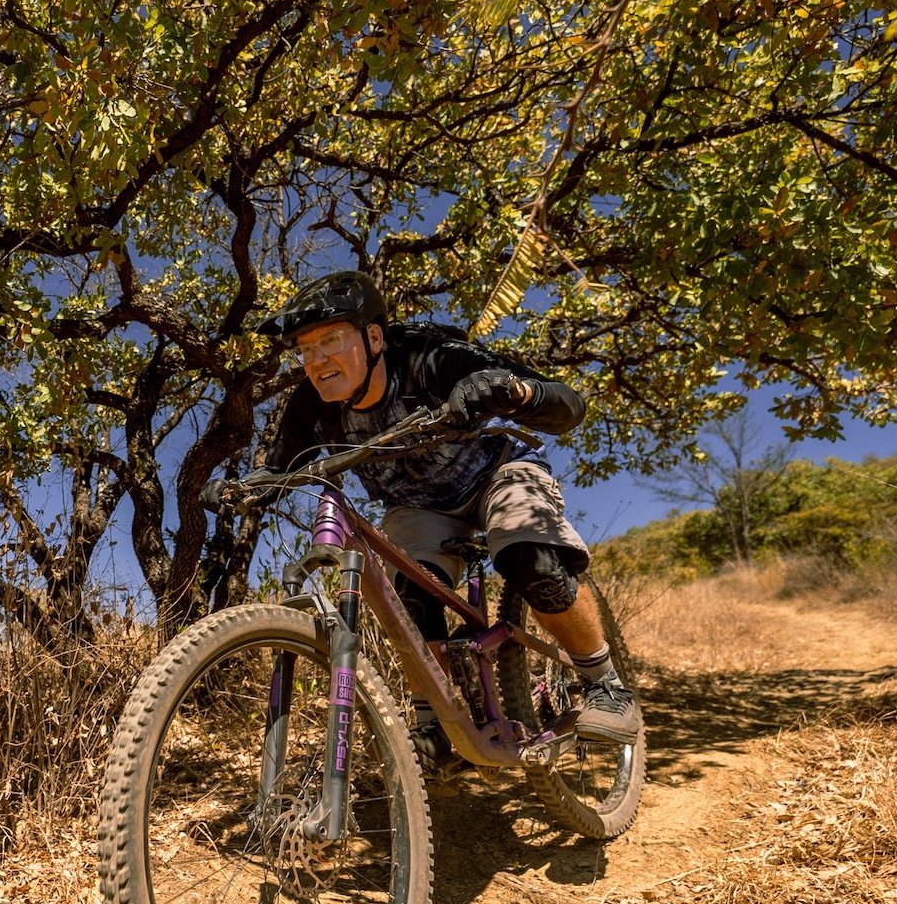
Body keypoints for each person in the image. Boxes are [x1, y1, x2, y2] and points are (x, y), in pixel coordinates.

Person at [252, 269, 641, 744]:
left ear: (374, 336)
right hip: (417, 507)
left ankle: (606, 685)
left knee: (528, 558)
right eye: (305, 349)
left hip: (499, 472)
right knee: (412, 599)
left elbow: (567, 405)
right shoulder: (309, 407)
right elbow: (277, 471)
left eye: (331, 340)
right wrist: (244, 489)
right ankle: (436, 726)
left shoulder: (430, 356)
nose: (317, 360)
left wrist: (514, 391)